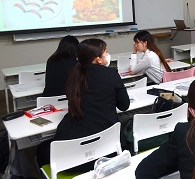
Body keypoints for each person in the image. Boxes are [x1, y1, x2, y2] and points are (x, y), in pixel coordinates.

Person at [36, 38, 130, 172]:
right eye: (106, 52)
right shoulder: (110, 74)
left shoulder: (73, 75)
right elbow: (124, 105)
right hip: (109, 153)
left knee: (41, 149)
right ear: (98, 59)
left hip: (71, 159)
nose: (108, 55)